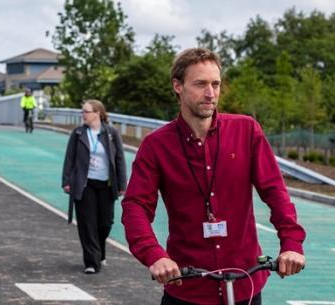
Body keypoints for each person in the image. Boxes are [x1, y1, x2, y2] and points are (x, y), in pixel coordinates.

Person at [121, 48, 306, 305]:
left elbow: (275, 192)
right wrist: (155, 255)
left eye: (215, 84)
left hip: (245, 284)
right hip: (187, 287)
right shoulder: (156, 145)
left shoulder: (246, 130)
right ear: (178, 86)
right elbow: (136, 206)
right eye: (200, 84)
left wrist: (291, 244)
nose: (210, 93)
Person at [62, 99, 127, 274]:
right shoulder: (78, 133)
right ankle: (91, 262)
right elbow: (70, 158)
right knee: (87, 223)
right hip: (85, 185)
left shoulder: (111, 133)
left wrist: (122, 184)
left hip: (106, 185)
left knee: (105, 223)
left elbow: (119, 159)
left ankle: (100, 250)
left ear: (97, 113)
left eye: (86, 112)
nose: (83, 115)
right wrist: (66, 181)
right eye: (82, 112)